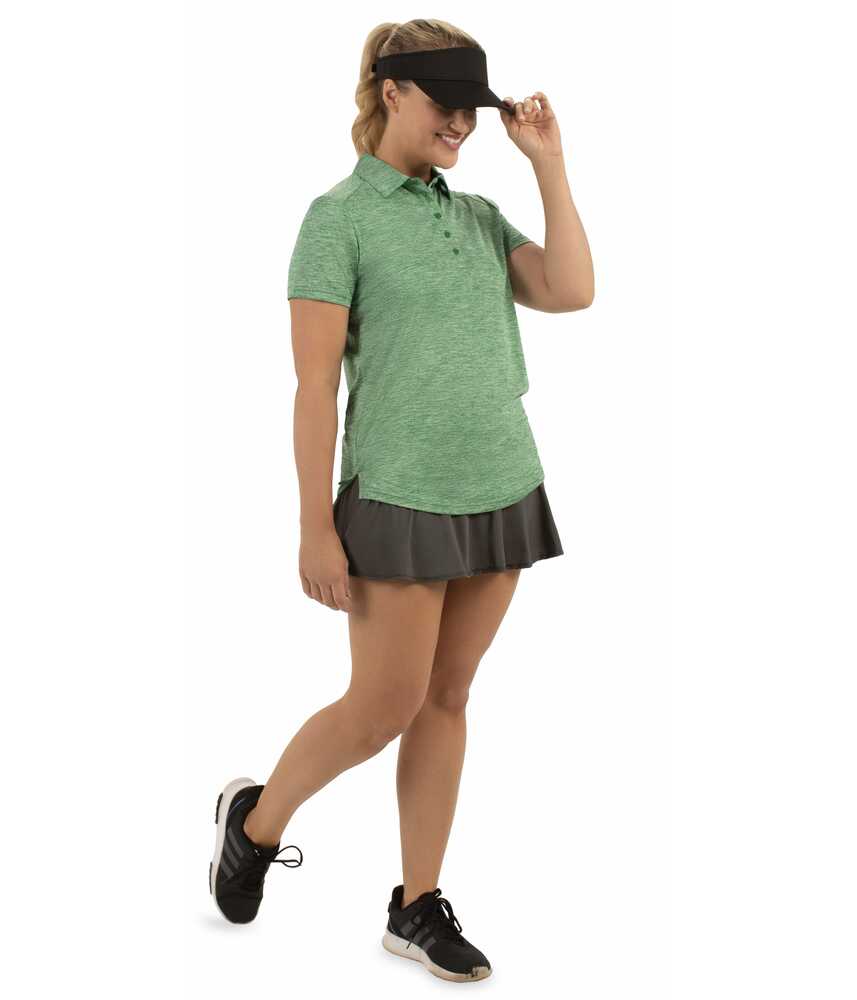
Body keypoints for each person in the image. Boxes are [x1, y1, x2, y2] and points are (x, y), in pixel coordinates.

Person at [209, 18, 593, 983]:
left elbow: (571, 289)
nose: (462, 123)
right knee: (383, 704)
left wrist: (547, 164)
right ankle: (254, 825)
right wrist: (314, 527)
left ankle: (416, 905)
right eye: (445, 104)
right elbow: (313, 389)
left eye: (473, 109)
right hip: (395, 497)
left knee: (448, 696)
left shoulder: (477, 216)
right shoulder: (337, 219)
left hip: (499, 485)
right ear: (391, 92)